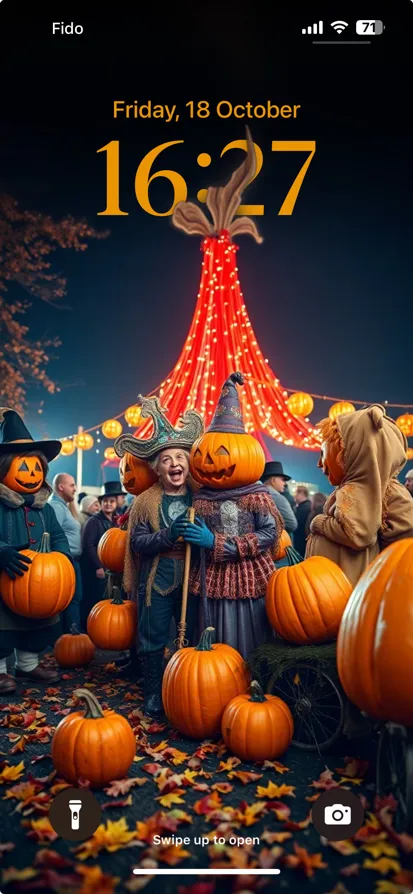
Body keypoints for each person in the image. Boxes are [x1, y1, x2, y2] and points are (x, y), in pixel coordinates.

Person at [180, 372, 283, 659]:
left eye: (220, 453)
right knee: (213, 629)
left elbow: (269, 533)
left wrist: (218, 542)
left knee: (249, 627)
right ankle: (217, 681)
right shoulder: (200, 496)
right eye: (201, 455)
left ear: (244, 455)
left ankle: (250, 681)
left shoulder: (257, 495)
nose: (208, 462)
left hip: (249, 573)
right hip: (212, 573)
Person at [114, 395, 204, 716]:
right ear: (156, 467)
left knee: (191, 630)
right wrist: (168, 534)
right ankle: (152, 691)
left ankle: (187, 686)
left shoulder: (200, 495)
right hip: (158, 576)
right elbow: (137, 543)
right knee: (152, 634)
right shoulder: (145, 502)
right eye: (167, 460)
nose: (175, 464)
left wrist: (204, 536)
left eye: (180, 457)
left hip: (192, 575)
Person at [0, 408, 72, 694]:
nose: (31, 474)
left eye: (36, 468)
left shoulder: (46, 509)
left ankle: (27, 665)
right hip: (5, 578)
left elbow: (57, 535)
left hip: (41, 582)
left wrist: (63, 558)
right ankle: (2, 670)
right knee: (3, 629)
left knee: (36, 628)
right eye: (22, 468)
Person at [306, 405, 413, 586]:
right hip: (330, 591)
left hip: (356, 595)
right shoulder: (348, 489)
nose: (319, 463)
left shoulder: (387, 492)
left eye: (323, 453)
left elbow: (359, 534)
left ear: (354, 451)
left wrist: (319, 522)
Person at [80, 482, 125, 628]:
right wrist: (98, 566)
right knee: (94, 599)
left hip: (112, 569)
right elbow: (88, 545)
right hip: (96, 568)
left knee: (109, 599)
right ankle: (90, 628)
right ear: (101, 503)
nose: (108, 504)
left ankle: (105, 627)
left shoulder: (117, 521)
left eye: (111, 502)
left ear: (115, 503)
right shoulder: (94, 522)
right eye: (105, 502)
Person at [49, 473, 83, 632]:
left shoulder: (63, 507)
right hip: (65, 561)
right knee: (71, 600)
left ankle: (69, 637)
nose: (75, 489)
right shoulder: (56, 507)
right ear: (61, 487)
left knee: (74, 599)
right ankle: (70, 637)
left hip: (70, 560)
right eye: (72, 485)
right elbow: (51, 534)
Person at [262, 461, 297, 536]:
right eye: (282, 479)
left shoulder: (255, 494)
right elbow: (292, 525)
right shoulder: (278, 498)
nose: (284, 483)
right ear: (273, 480)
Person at [294, 486, 312, 557]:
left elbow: (298, 524)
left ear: (301, 493)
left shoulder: (304, 508)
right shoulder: (307, 506)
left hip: (302, 541)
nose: (294, 496)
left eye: (296, 493)